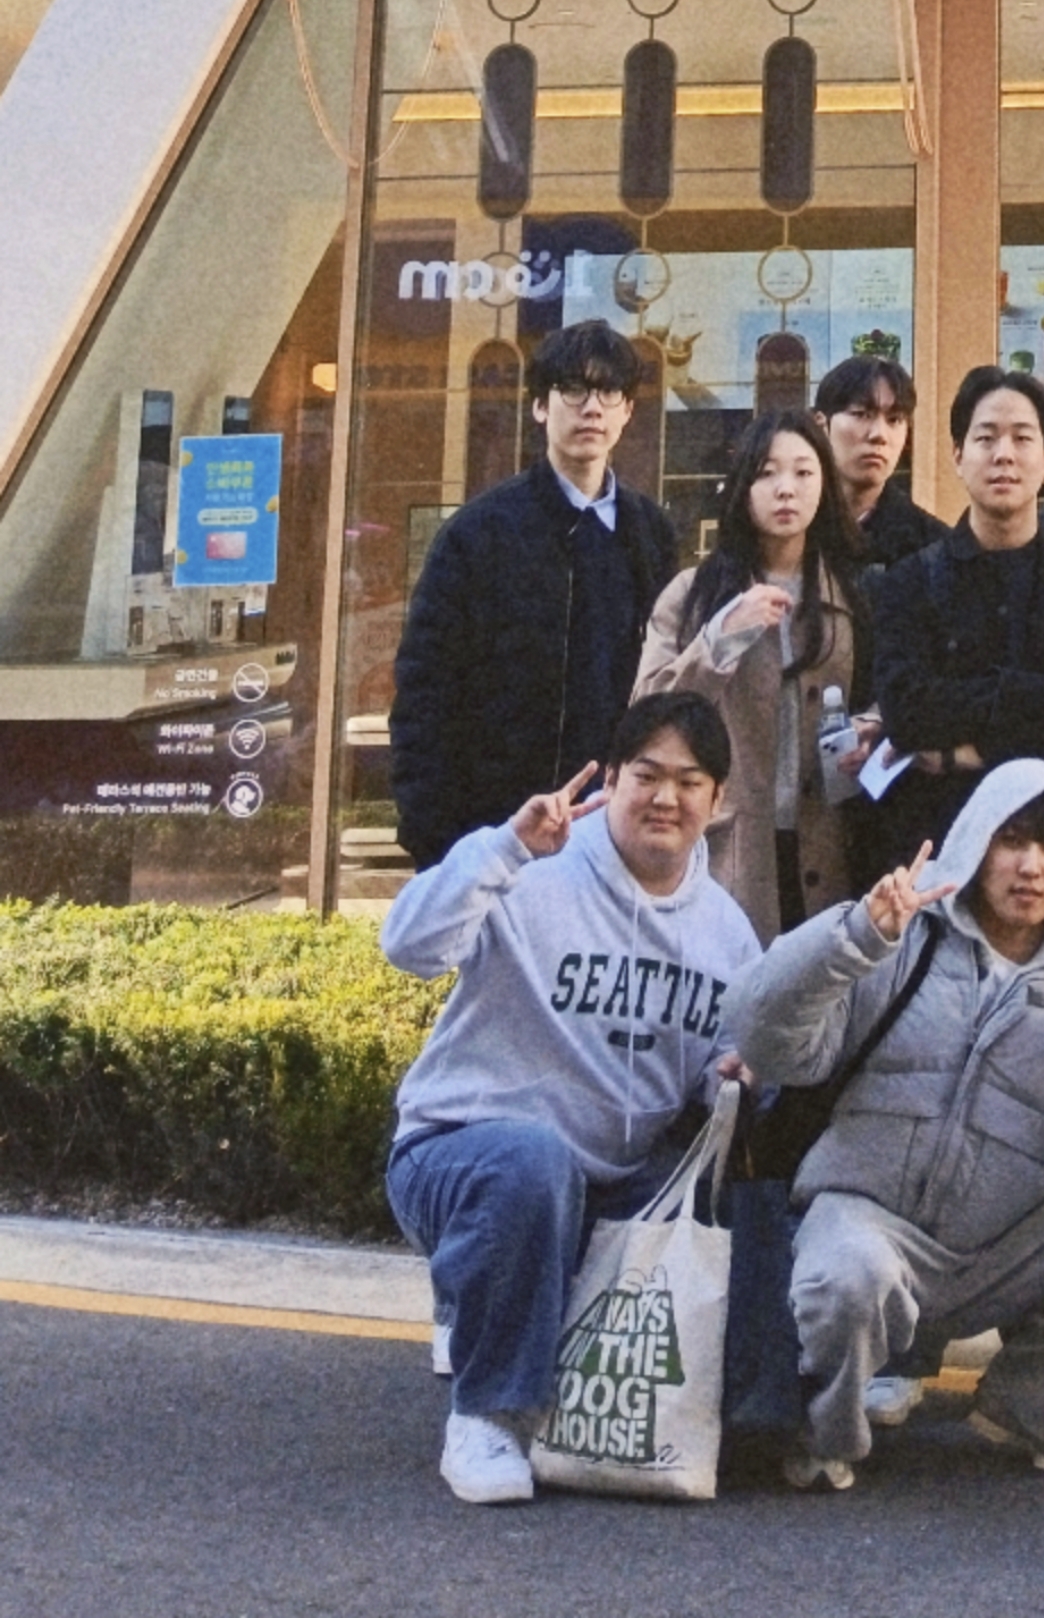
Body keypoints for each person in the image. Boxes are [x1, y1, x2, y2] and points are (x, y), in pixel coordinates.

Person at [724, 761, 1044, 1487]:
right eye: (1010, 840)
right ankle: (827, 1435)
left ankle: (1032, 1410)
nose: (1031, 866)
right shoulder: (899, 940)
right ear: (974, 845)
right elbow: (763, 1036)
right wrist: (852, 938)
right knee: (849, 1275)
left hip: (1000, 1253)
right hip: (868, 1222)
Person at [383, 695, 758, 1507]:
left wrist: (729, 1075)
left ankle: (763, 1419)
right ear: (611, 780)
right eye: (646, 776)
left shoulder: (727, 932)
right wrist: (504, 848)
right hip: (461, 1154)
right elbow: (406, 946)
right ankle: (487, 1414)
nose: (666, 799)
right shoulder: (533, 873)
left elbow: (714, 1067)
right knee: (532, 1165)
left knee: (742, 1200)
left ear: (718, 799)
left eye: (689, 782)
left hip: (613, 1185)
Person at [387, 320, 679, 870]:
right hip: (497, 833)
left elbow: (666, 687)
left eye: (609, 392)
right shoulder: (479, 533)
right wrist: (437, 841)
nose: (591, 408)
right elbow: (425, 693)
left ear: (627, 410)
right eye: (574, 389)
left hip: (614, 836)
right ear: (541, 406)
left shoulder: (651, 535)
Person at [863, 366, 1044, 871]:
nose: (1003, 454)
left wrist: (959, 754)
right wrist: (1039, 695)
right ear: (958, 455)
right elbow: (906, 711)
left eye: (1022, 438)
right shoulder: (911, 581)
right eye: (985, 438)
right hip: (938, 853)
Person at [632, 409, 862, 941]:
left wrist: (871, 727)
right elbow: (645, 713)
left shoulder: (852, 597)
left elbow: (876, 701)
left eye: (803, 472)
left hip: (827, 846)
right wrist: (720, 637)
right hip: (727, 849)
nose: (786, 489)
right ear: (742, 488)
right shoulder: (692, 595)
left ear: (825, 485)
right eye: (766, 473)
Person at [818, 354, 937, 575]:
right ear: (822, 426)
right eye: (862, 414)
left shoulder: (933, 550)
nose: (879, 435)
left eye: (894, 420)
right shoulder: (786, 532)